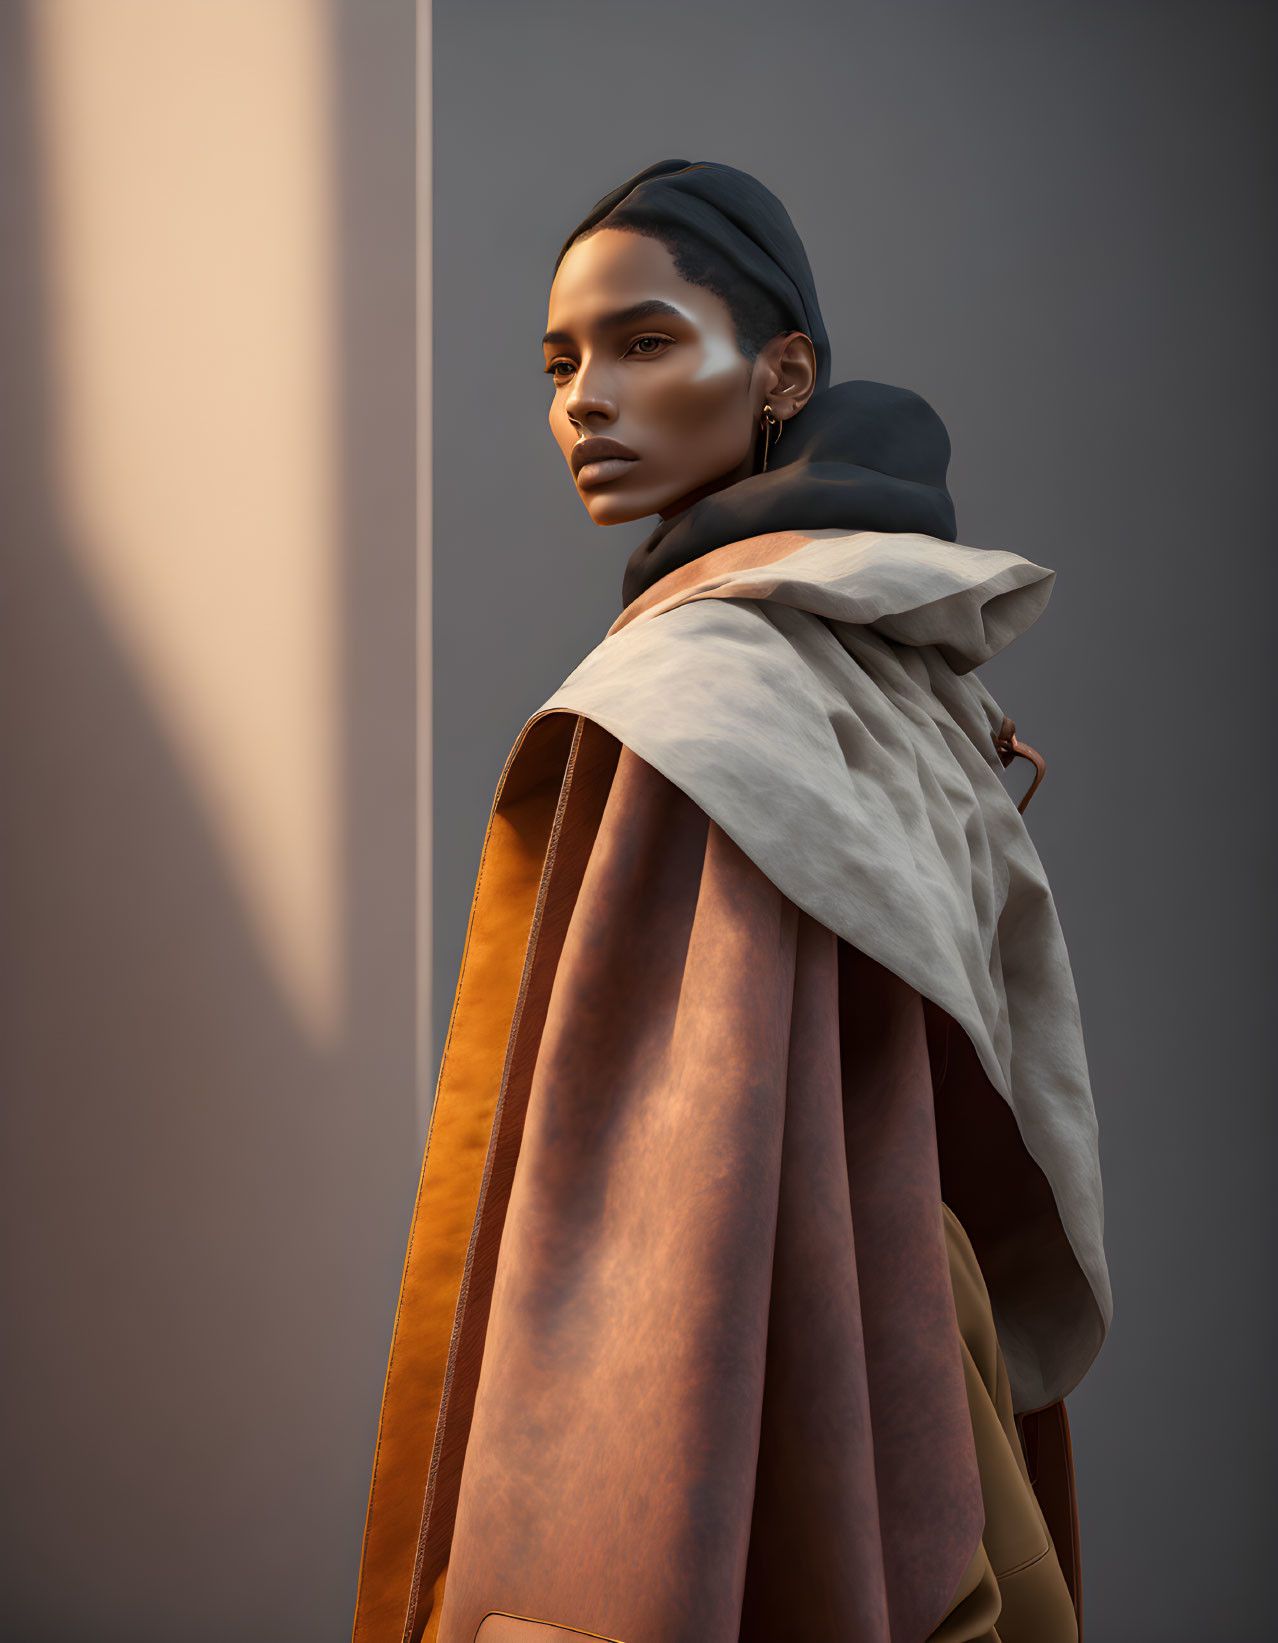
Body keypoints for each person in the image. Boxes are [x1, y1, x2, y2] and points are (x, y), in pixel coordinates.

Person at [351, 160, 1111, 1643]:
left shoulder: (703, 681)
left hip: (783, 1345)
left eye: (643, 344)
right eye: (560, 363)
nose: (583, 400)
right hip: (894, 1335)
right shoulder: (882, 657)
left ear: (782, 375)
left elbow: (646, 1191)